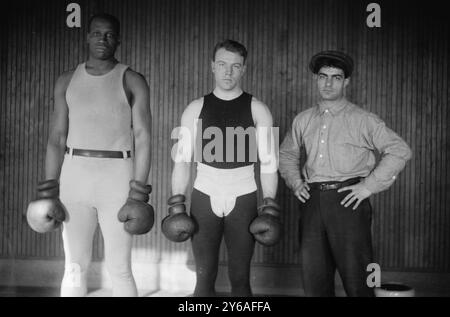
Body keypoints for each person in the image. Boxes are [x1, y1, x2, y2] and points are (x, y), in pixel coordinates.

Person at [26, 13, 154, 297]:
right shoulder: (66, 81)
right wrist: (49, 188)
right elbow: (57, 139)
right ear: (87, 37)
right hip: (75, 177)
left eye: (109, 34)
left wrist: (138, 193)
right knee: (74, 265)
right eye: (97, 33)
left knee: (119, 267)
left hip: (117, 178)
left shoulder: (132, 80)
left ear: (118, 40)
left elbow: (144, 137)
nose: (102, 39)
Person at [279, 50, 412, 297]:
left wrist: (369, 186)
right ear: (316, 79)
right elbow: (286, 154)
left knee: (358, 280)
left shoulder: (363, 119)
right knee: (315, 281)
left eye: (336, 77)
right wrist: (296, 182)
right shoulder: (303, 119)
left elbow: (400, 150)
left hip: (348, 201)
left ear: (346, 81)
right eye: (323, 76)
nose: (328, 83)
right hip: (312, 201)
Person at [161, 39, 281, 297]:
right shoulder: (195, 108)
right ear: (212, 66)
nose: (228, 72)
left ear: (244, 70)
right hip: (204, 194)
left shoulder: (258, 109)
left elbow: (269, 163)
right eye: (223, 65)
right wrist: (177, 204)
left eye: (235, 66)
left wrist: (269, 206)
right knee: (204, 280)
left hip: (244, 196)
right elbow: (181, 160)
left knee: (240, 279)